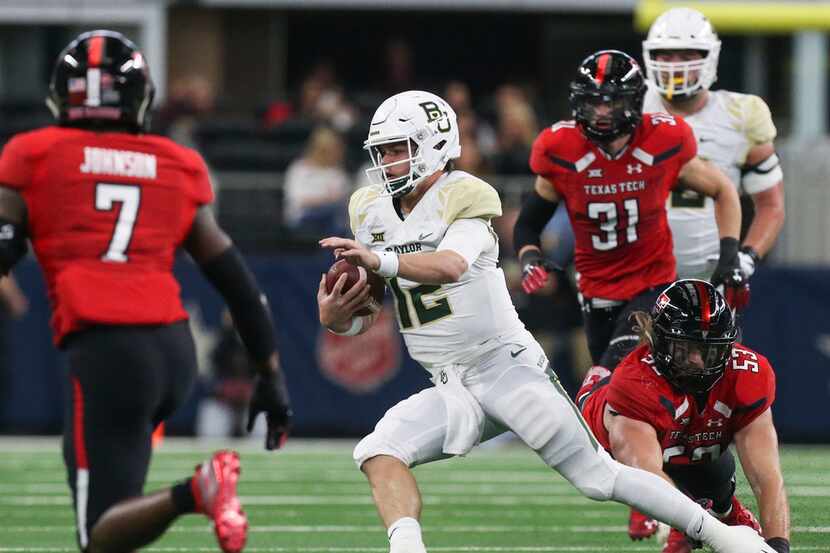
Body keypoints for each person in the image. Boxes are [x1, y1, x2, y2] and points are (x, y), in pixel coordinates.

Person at [316, 89, 774, 553]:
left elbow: (450, 264)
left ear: (433, 144)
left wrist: (381, 259)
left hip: (505, 367)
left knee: (598, 476)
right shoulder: (369, 209)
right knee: (377, 451)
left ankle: (724, 537)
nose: (389, 161)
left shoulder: (464, 194)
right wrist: (340, 320)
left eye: (399, 149)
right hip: (450, 382)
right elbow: (371, 302)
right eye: (383, 151)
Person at [0, 30, 292, 553]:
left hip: (105, 350)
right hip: (170, 353)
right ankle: (192, 493)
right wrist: (270, 375)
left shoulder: (33, 154)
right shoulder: (173, 163)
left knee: (98, 534)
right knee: (119, 516)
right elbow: (238, 285)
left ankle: (197, 491)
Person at [513, 50, 743, 372]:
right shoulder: (559, 149)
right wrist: (529, 258)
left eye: (611, 102)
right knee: (618, 394)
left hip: (652, 284)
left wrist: (729, 253)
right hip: (595, 289)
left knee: (610, 377)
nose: (602, 112)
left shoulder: (663, 139)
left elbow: (722, 189)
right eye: (593, 102)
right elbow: (528, 223)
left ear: (634, 101)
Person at [576, 279, 790, 553]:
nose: (698, 361)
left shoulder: (749, 373)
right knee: (669, 480)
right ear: (661, 343)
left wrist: (779, 547)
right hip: (605, 416)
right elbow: (646, 474)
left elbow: (767, 478)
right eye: (685, 349)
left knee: (710, 466)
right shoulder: (634, 384)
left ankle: (727, 508)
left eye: (709, 350)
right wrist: (686, 524)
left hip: (685, 436)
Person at [642, 7, 785, 297]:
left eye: (687, 55)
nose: (675, 66)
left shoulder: (740, 114)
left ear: (710, 58)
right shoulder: (632, 105)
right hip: (636, 271)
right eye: (666, 55)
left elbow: (771, 206)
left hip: (709, 274)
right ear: (650, 57)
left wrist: (745, 257)